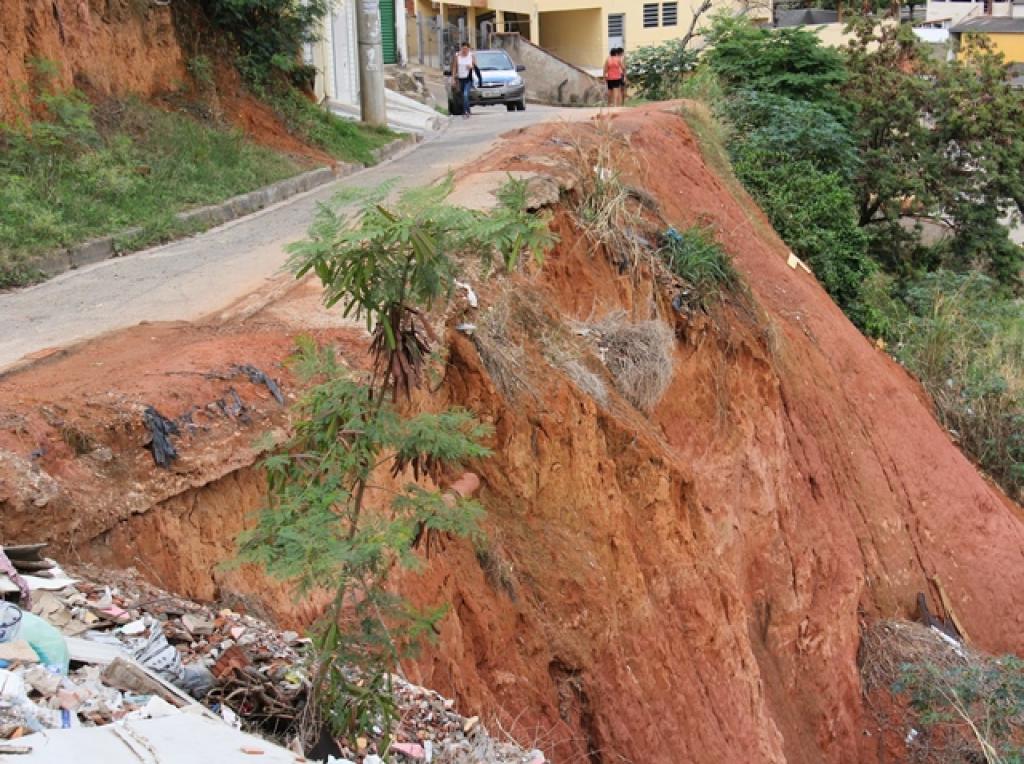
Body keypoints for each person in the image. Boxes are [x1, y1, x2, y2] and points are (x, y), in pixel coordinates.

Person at [451, 42, 482, 118]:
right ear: (461, 48)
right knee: (463, 96)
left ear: (468, 49)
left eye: (466, 48)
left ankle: (465, 112)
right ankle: (468, 110)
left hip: (468, 79)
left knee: (465, 95)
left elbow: (475, 67)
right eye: (463, 48)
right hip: (460, 79)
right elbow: (454, 67)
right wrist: (453, 78)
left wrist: (471, 66)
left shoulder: (471, 56)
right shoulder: (457, 56)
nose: (464, 50)